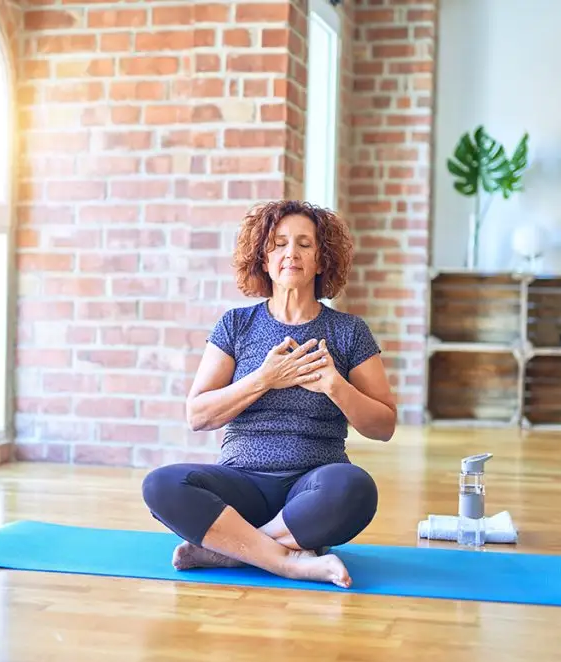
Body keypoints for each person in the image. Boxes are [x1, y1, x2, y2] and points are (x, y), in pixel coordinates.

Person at [141, 199, 397, 589]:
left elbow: (384, 426)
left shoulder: (349, 332)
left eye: (304, 244)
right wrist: (264, 378)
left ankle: (231, 550)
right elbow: (198, 415)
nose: (290, 253)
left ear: (321, 260)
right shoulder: (237, 325)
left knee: (356, 488)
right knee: (161, 485)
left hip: (312, 489)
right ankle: (289, 562)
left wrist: (335, 386)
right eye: (278, 244)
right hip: (241, 482)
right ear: (263, 259)